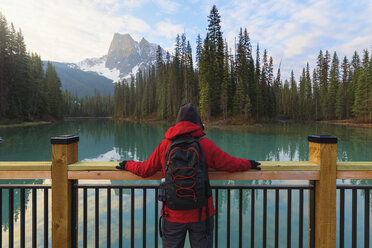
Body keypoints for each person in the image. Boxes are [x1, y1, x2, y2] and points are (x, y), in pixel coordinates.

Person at [117, 103, 261, 248]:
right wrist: (249, 164)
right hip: (201, 214)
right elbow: (229, 163)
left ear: (177, 123)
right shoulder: (205, 145)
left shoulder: (165, 145)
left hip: (172, 215)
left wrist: (127, 164)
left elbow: (145, 170)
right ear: (197, 123)